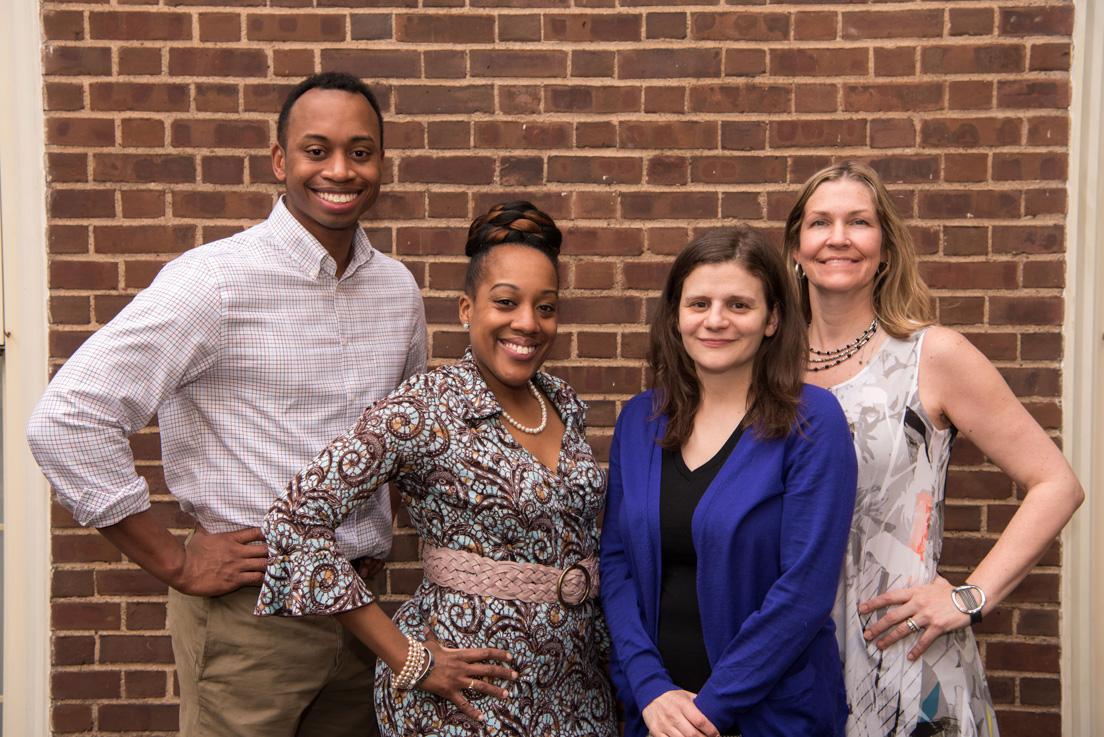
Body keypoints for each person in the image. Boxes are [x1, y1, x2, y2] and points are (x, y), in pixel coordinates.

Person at [27, 72, 431, 737]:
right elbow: (68, 417)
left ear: (381, 163)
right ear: (280, 161)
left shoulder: (397, 290)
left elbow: (402, 436)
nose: (339, 169)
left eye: (360, 151)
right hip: (253, 622)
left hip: (362, 621)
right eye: (316, 149)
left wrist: (386, 533)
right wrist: (174, 559)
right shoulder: (213, 282)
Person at [256, 201, 618, 737]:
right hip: (470, 694)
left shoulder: (562, 401)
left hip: (576, 686)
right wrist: (407, 658)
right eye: (506, 302)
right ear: (467, 309)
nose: (528, 323)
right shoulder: (425, 408)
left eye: (546, 307)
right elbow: (295, 519)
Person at [783, 160, 1084, 737]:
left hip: (902, 656)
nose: (839, 237)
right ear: (797, 248)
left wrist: (971, 595)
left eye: (859, 222)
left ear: (886, 248)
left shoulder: (932, 355)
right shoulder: (768, 369)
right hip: (792, 658)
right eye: (820, 222)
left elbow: (1057, 484)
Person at [599, 226, 858, 737]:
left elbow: (804, 592)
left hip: (768, 715)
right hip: (656, 714)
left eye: (739, 305)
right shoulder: (638, 421)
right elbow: (615, 564)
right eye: (699, 303)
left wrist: (707, 712)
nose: (715, 320)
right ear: (676, 316)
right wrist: (650, 688)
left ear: (772, 319)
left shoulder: (813, 421)